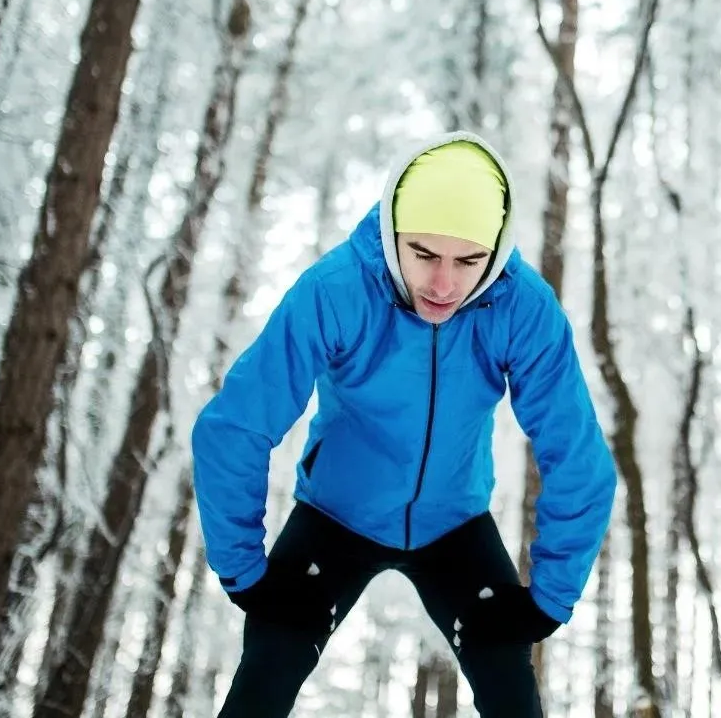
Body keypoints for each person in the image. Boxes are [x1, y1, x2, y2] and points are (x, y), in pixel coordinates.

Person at [191, 131, 618, 717]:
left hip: (455, 525)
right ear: (393, 235)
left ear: (496, 251)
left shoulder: (523, 309)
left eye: (468, 261)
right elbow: (235, 426)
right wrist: (245, 574)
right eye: (424, 254)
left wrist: (549, 601)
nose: (444, 285)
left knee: (513, 694)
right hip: (334, 516)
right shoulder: (338, 290)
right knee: (265, 675)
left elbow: (577, 456)